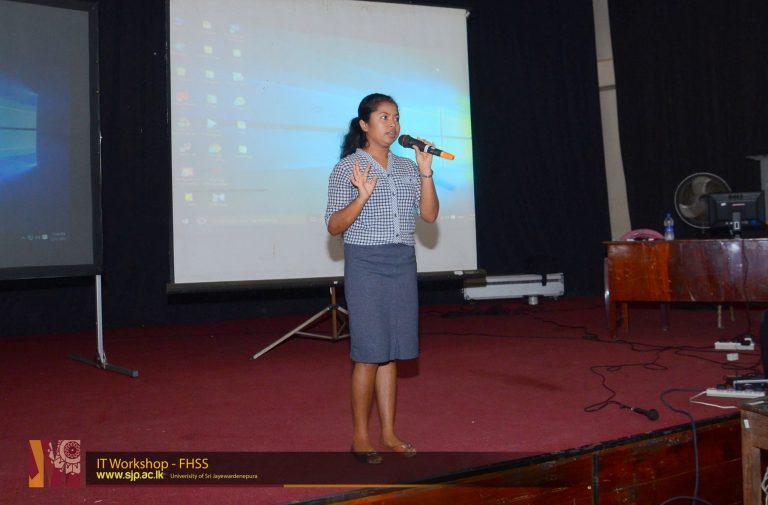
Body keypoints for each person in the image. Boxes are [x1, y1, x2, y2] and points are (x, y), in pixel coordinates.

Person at [325, 93, 439, 464]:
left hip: (402, 261)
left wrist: (425, 171)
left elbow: (429, 216)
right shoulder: (347, 168)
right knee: (369, 353)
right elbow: (334, 225)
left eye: (396, 117)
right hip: (366, 263)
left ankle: (388, 432)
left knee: (391, 354)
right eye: (384, 117)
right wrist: (361, 197)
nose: (393, 125)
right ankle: (360, 436)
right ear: (364, 125)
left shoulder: (407, 167)